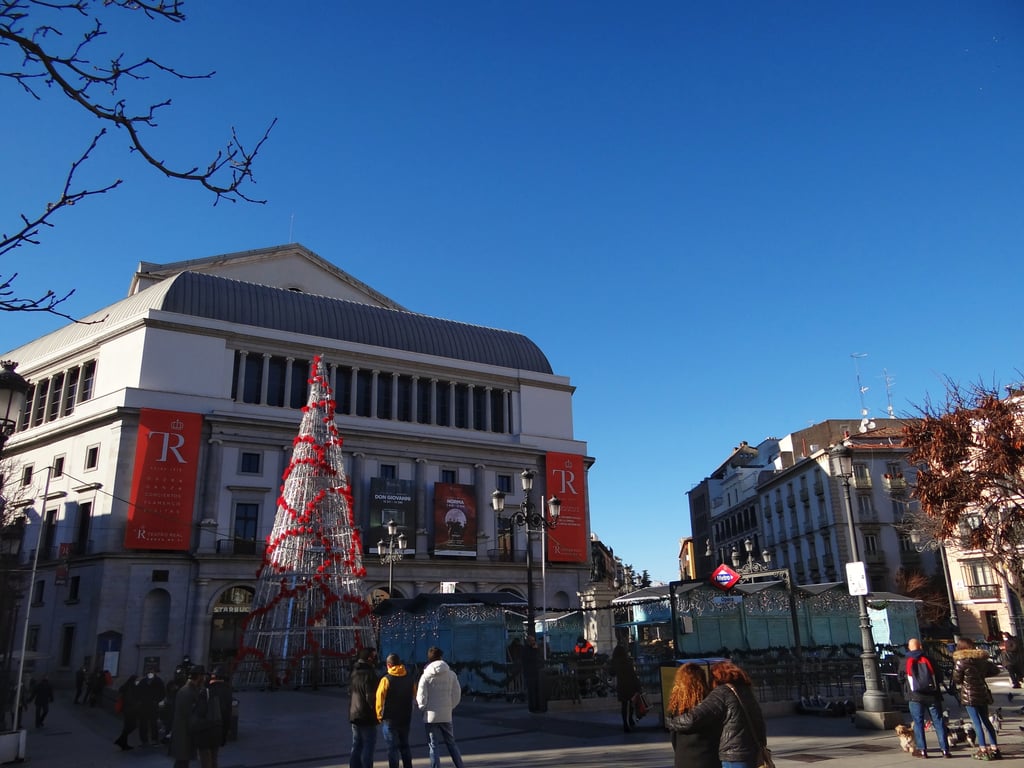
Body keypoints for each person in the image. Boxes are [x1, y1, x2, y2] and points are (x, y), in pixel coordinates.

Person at [667, 660, 767, 768]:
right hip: (751, 753)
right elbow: (760, 722)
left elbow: (692, 719)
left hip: (733, 755)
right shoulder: (745, 691)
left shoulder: (721, 693)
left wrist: (670, 722)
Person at [899, 638, 951, 758]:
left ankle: (922, 750)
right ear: (920, 647)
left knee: (918, 723)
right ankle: (945, 750)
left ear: (909, 648)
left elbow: (900, 679)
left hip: (914, 697)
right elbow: (939, 677)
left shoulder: (904, 661)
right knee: (938, 721)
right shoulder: (930, 659)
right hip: (932, 696)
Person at [952, 638, 1001, 760]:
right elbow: (995, 670)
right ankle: (994, 748)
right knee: (986, 721)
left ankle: (983, 749)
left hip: (969, 695)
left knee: (976, 722)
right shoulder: (981, 660)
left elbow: (956, 679)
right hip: (982, 693)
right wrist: (981, 675)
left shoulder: (961, 661)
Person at [416, 647, 465, 768]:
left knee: (433, 745)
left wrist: (423, 708)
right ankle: (459, 765)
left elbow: (421, 696)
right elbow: (457, 693)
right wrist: (450, 706)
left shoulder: (425, 676)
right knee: (451, 743)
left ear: (429, 658)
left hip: (430, 715)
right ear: (441, 657)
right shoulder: (451, 674)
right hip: (446, 714)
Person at [665, 663, 721, 768]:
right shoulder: (710, 703)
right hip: (709, 758)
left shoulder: (676, 707)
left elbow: (673, 738)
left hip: (683, 759)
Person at [376, 653, 416, 768]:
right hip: (405, 717)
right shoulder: (409, 678)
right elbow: (414, 696)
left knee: (392, 748)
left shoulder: (386, 679)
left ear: (388, 665)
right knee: (405, 746)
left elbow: (379, 699)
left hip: (390, 718)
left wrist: (379, 716)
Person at [349, 647, 380, 768]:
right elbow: (370, 697)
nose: (376, 659)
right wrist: (377, 710)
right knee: (368, 745)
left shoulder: (354, 671)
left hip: (354, 713)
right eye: (374, 656)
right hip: (367, 715)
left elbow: (349, 692)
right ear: (369, 658)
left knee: (357, 744)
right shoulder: (370, 674)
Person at [170, 664, 205, 768]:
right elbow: (189, 714)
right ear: (199, 676)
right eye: (203, 676)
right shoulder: (187, 691)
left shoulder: (191, 690)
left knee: (183, 762)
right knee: (182, 762)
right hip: (184, 734)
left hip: (186, 733)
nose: (204, 679)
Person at [607, 643, 643, 732]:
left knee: (624, 705)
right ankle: (630, 719)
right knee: (631, 703)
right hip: (630, 684)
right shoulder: (628, 661)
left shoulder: (615, 662)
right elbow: (633, 674)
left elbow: (612, 673)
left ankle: (625, 724)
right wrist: (638, 686)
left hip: (621, 685)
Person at [138, 669, 166, 746]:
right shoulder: (143, 681)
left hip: (153, 705)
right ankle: (144, 740)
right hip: (144, 705)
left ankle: (154, 739)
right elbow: (138, 691)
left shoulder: (158, 681)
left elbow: (162, 692)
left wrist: (157, 700)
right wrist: (140, 700)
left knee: (153, 723)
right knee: (143, 723)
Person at [207, 666, 233, 748]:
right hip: (223, 719)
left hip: (212, 721)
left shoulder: (210, 688)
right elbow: (229, 708)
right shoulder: (227, 688)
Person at [521, 634, 546, 713]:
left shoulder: (534, 649)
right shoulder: (526, 650)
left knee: (537, 690)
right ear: (529, 641)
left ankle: (538, 706)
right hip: (530, 673)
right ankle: (533, 707)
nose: (534, 642)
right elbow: (531, 658)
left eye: (534, 640)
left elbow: (539, 658)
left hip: (536, 672)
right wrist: (535, 650)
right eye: (532, 641)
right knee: (532, 691)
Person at [114, 674, 140, 750]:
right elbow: (130, 699)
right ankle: (121, 741)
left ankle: (123, 743)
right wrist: (136, 704)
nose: (138, 681)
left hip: (126, 709)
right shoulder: (132, 687)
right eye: (137, 680)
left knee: (128, 726)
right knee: (132, 726)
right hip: (131, 709)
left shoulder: (126, 685)